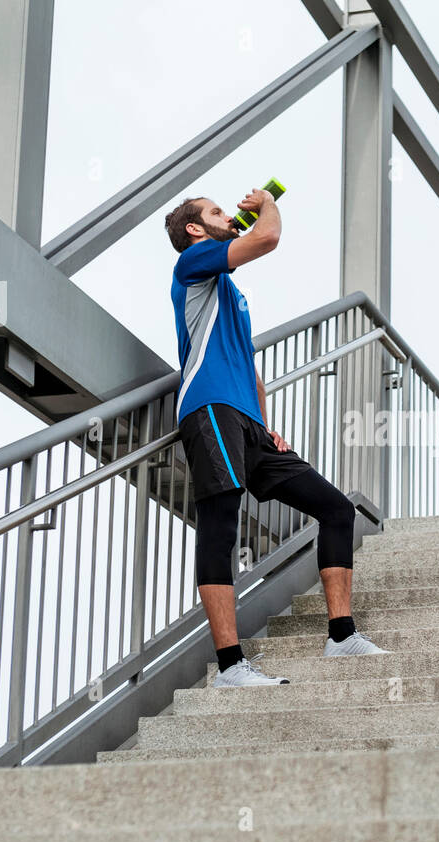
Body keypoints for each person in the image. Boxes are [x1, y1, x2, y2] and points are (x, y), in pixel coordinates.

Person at [164, 189, 389, 688]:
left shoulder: (229, 293)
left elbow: (251, 366)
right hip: (210, 408)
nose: (228, 216)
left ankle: (342, 635)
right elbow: (267, 236)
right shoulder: (194, 262)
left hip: (248, 422)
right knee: (221, 523)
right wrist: (266, 200)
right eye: (217, 212)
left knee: (335, 508)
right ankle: (229, 667)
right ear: (197, 230)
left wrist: (265, 426)